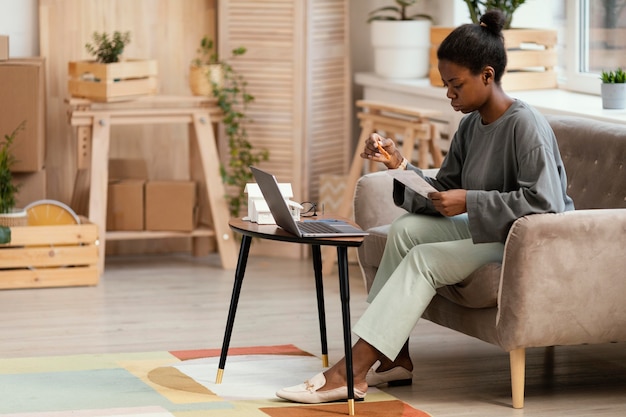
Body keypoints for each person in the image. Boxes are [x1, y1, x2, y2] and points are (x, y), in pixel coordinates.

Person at [276, 9, 575, 404]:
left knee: (424, 259)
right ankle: (395, 357)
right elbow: (443, 190)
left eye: (456, 85)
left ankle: (353, 370)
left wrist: (469, 200)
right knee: (404, 232)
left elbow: (546, 205)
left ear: (487, 75)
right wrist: (398, 165)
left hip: (527, 243)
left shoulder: (526, 126)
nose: (450, 94)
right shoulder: (471, 124)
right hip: (491, 229)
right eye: (446, 85)